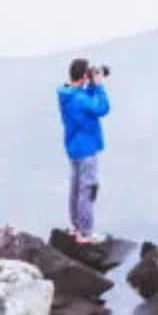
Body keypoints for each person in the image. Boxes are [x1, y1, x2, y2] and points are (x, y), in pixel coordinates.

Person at [57, 57, 110, 244]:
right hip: (87, 149)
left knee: (75, 188)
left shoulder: (66, 93)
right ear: (84, 76)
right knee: (87, 191)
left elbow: (85, 99)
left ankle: (75, 226)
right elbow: (102, 108)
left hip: (74, 147)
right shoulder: (80, 99)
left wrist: (91, 85)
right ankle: (85, 233)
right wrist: (99, 86)